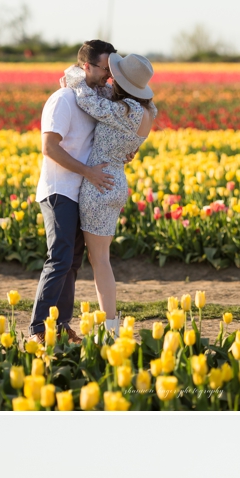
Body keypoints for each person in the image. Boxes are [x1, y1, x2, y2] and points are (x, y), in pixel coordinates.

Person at [63, 52, 158, 333]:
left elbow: (84, 97)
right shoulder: (148, 111)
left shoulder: (121, 110)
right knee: (100, 258)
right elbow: (131, 147)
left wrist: (75, 73)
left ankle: (110, 328)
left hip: (98, 183)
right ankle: (110, 326)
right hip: (116, 180)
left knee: (100, 261)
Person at [30, 40, 117, 341]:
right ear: (86, 66)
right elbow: (49, 147)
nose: (109, 75)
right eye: (105, 68)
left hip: (80, 190)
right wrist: (89, 173)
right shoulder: (63, 99)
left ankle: (60, 324)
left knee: (72, 260)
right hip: (59, 190)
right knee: (60, 257)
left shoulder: (90, 100)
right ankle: (38, 329)